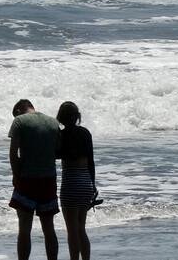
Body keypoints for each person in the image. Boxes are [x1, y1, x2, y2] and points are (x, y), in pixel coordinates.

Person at [8, 98, 61, 260]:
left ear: (18, 111)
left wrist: (16, 175)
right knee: (48, 228)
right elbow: (58, 152)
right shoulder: (53, 123)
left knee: (24, 228)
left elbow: (13, 153)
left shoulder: (19, 121)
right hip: (48, 180)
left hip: (27, 180)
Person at [56, 101, 97, 260]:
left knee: (72, 230)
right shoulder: (85, 133)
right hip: (85, 182)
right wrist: (92, 185)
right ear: (77, 117)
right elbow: (91, 161)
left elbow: (56, 155)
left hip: (70, 183)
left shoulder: (61, 135)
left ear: (60, 118)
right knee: (81, 229)